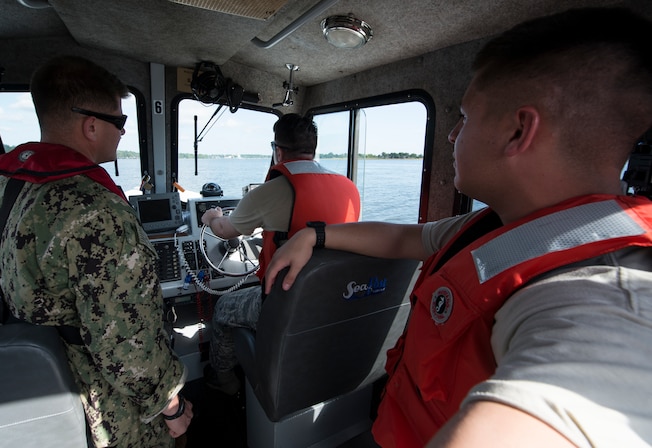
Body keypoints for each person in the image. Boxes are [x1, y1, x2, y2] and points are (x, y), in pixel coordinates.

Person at [264, 7, 652, 447]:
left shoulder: (607, 294)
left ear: (517, 132)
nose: (451, 135)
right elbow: (403, 237)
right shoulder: (498, 225)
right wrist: (314, 233)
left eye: (465, 117)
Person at [0, 55, 193, 447]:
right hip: (100, 406)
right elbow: (128, 346)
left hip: (31, 387)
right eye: (120, 123)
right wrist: (171, 408)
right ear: (91, 125)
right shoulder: (99, 214)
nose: (123, 133)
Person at [200, 113, 361, 395]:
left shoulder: (269, 192)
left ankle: (223, 380)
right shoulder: (349, 189)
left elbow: (226, 231)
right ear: (313, 149)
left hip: (286, 301)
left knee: (225, 307)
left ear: (278, 149)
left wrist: (211, 217)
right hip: (336, 298)